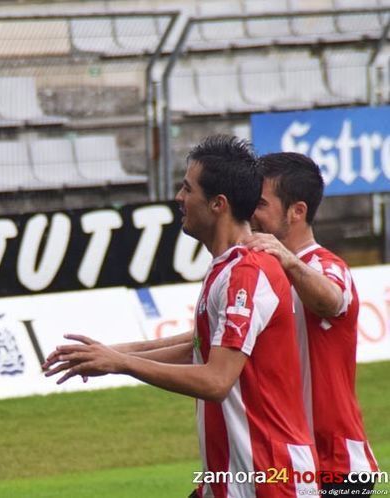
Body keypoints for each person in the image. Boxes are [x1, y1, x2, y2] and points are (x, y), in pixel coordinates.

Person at [43, 136, 319, 498]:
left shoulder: (246, 274)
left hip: (268, 479)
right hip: (231, 478)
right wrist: (109, 356)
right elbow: (199, 349)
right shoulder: (227, 268)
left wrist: (122, 363)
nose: (179, 198)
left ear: (218, 204)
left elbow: (216, 380)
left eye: (188, 189)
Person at [247, 152, 378, 494]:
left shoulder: (326, 266)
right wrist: (122, 358)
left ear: (298, 211)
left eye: (260, 204)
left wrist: (286, 260)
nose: (251, 214)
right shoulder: (261, 275)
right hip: (284, 464)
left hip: (338, 466)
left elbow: (332, 300)